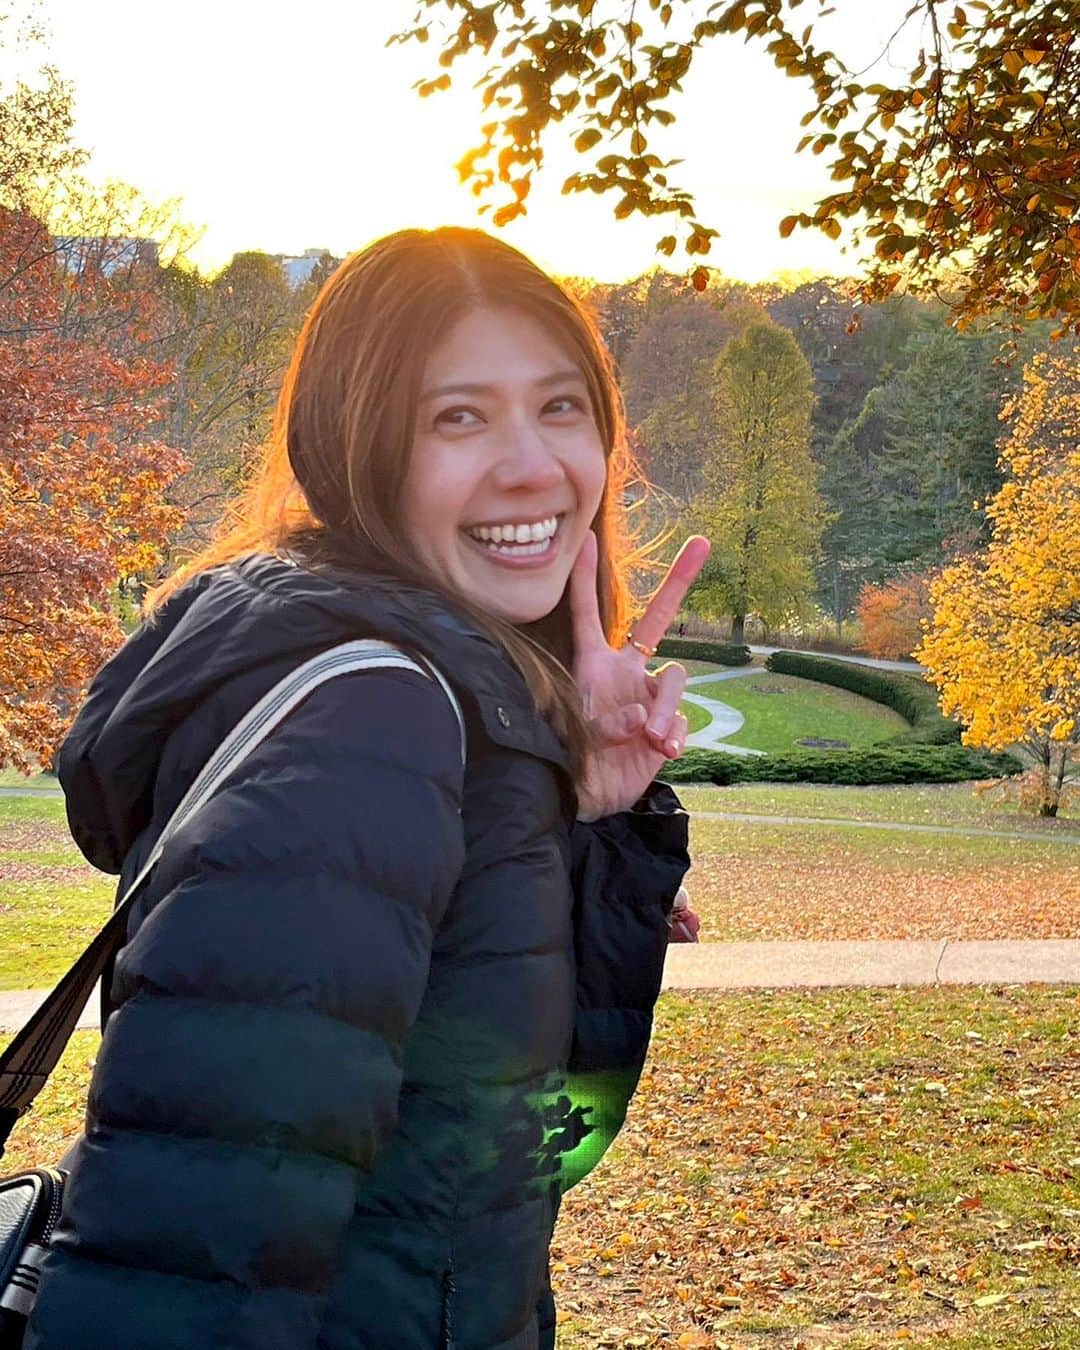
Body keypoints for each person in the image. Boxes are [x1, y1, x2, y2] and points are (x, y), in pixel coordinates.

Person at [27, 226, 708, 1350]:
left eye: (559, 406)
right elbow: (191, 1263)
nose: (534, 466)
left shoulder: (433, 706)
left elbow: (510, 1151)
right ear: (359, 445)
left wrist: (575, 812)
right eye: (458, 416)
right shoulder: (366, 728)